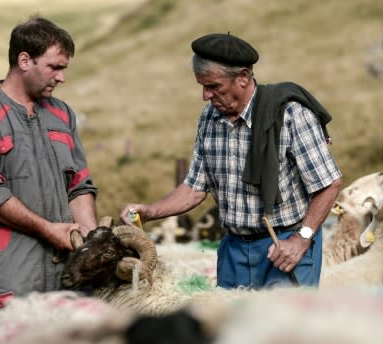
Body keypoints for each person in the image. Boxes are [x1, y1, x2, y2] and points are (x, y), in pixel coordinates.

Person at [120, 33, 342, 290]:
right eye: (202, 86)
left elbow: (329, 183)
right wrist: (150, 212)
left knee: (284, 329)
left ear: (243, 77)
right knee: (230, 328)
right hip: (233, 252)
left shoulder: (291, 115)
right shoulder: (209, 119)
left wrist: (301, 239)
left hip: (285, 248)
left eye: (214, 86)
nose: (206, 95)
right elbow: (194, 188)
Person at [0, 16, 98, 326]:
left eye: (64, 68)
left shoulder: (62, 114)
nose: (62, 77)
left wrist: (90, 240)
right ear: (24, 60)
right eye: (54, 67)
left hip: (67, 277)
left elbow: (79, 185)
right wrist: (49, 230)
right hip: (8, 279)